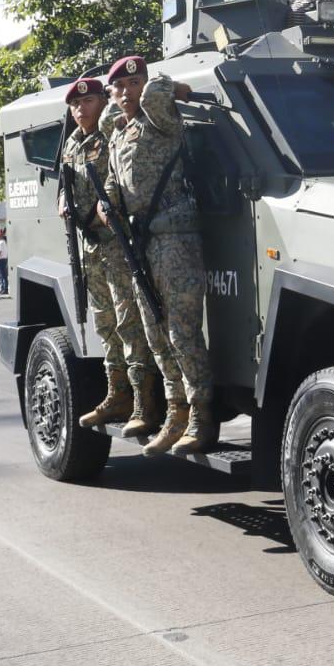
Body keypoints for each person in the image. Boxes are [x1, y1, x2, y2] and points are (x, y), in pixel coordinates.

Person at [101, 54, 214, 456]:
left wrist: (165, 86)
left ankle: (201, 416)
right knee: (156, 334)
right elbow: (115, 182)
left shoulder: (159, 120)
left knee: (182, 332)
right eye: (120, 86)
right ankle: (175, 413)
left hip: (175, 237)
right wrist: (108, 203)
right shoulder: (118, 134)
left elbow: (156, 91)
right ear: (111, 93)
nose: (128, 91)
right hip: (142, 242)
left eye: (135, 83)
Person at [58, 78, 160, 432]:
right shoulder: (72, 142)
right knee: (105, 323)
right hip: (89, 244)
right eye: (75, 104)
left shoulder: (111, 134)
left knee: (128, 321)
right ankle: (116, 395)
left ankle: (143, 403)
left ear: (103, 101)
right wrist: (62, 199)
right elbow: (66, 181)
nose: (80, 109)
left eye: (88, 102)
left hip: (117, 242)